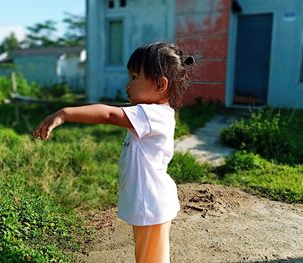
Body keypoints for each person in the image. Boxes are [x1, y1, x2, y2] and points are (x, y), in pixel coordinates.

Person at [33, 42, 195, 263]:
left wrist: (64, 114)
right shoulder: (151, 114)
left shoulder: (152, 115)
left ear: (160, 85)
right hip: (151, 204)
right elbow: (113, 111)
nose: (127, 84)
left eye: (134, 77)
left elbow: (108, 115)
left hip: (151, 204)